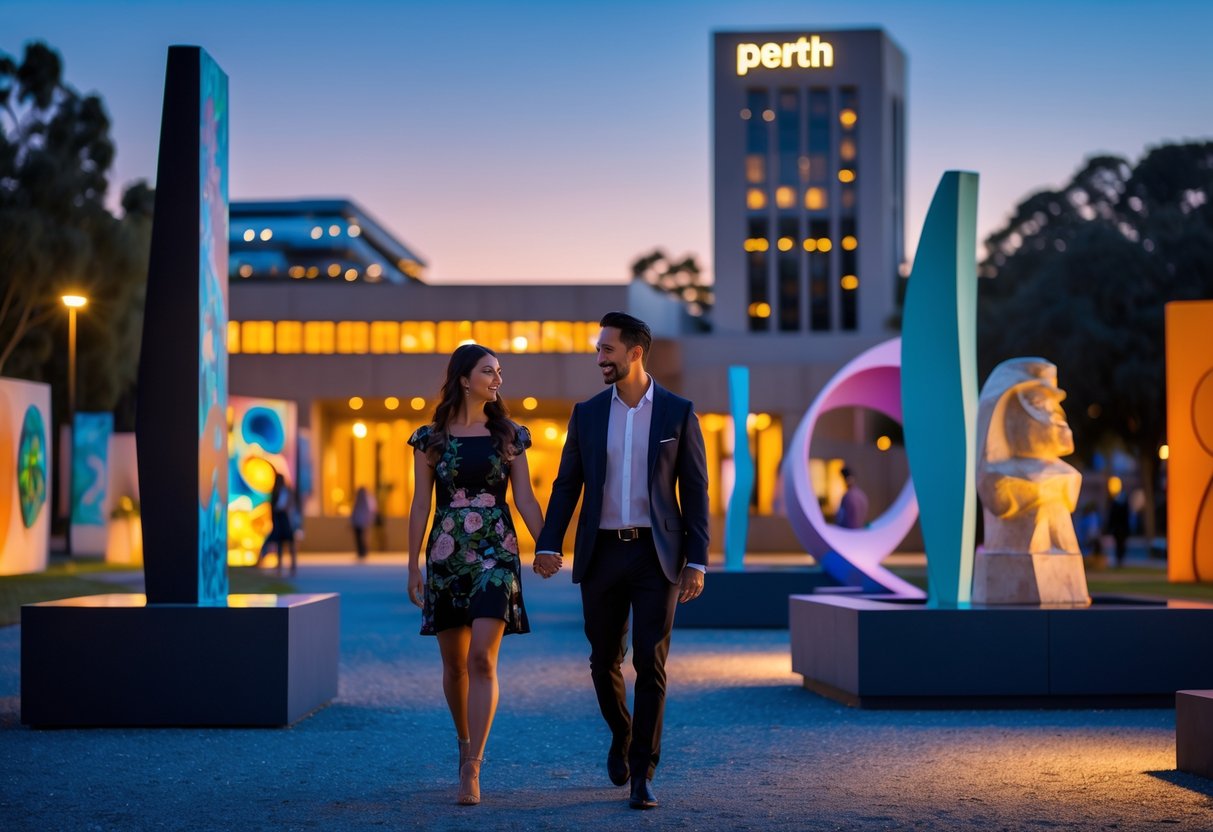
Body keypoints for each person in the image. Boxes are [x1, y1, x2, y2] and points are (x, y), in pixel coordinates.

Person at [535, 311, 709, 811]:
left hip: (658, 556)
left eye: (606, 350)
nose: (599, 358)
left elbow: (695, 491)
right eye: (598, 349)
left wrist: (696, 559)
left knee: (650, 663)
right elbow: (567, 484)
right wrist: (549, 543)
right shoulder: (587, 413)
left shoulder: (678, 411)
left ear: (634, 352)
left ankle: (642, 773)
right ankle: (622, 732)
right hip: (603, 552)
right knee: (602, 660)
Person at [406, 343, 549, 806]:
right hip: (447, 554)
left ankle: (473, 766)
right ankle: (463, 742)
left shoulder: (511, 435)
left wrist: (545, 544)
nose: (498, 379)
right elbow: (420, 505)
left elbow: (525, 497)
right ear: (464, 379)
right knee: (454, 665)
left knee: (482, 659)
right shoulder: (430, 439)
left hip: (496, 551)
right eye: (489, 371)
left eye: (499, 371)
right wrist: (412, 565)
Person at [258, 471, 297, 576]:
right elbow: (273, 507)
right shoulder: (275, 492)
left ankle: (293, 565)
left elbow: (290, 504)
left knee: (290, 541)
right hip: (278, 518)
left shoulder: (287, 491)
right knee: (279, 542)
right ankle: (278, 564)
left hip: (285, 517)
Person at [350, 486, 375, 560]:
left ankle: (362, 551)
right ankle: (362, 551)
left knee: (360, 538)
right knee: (361, 538)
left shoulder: (361, 501)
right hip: (360, 523)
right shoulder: (362, 501)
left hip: (359, 523)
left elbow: (355, 512)